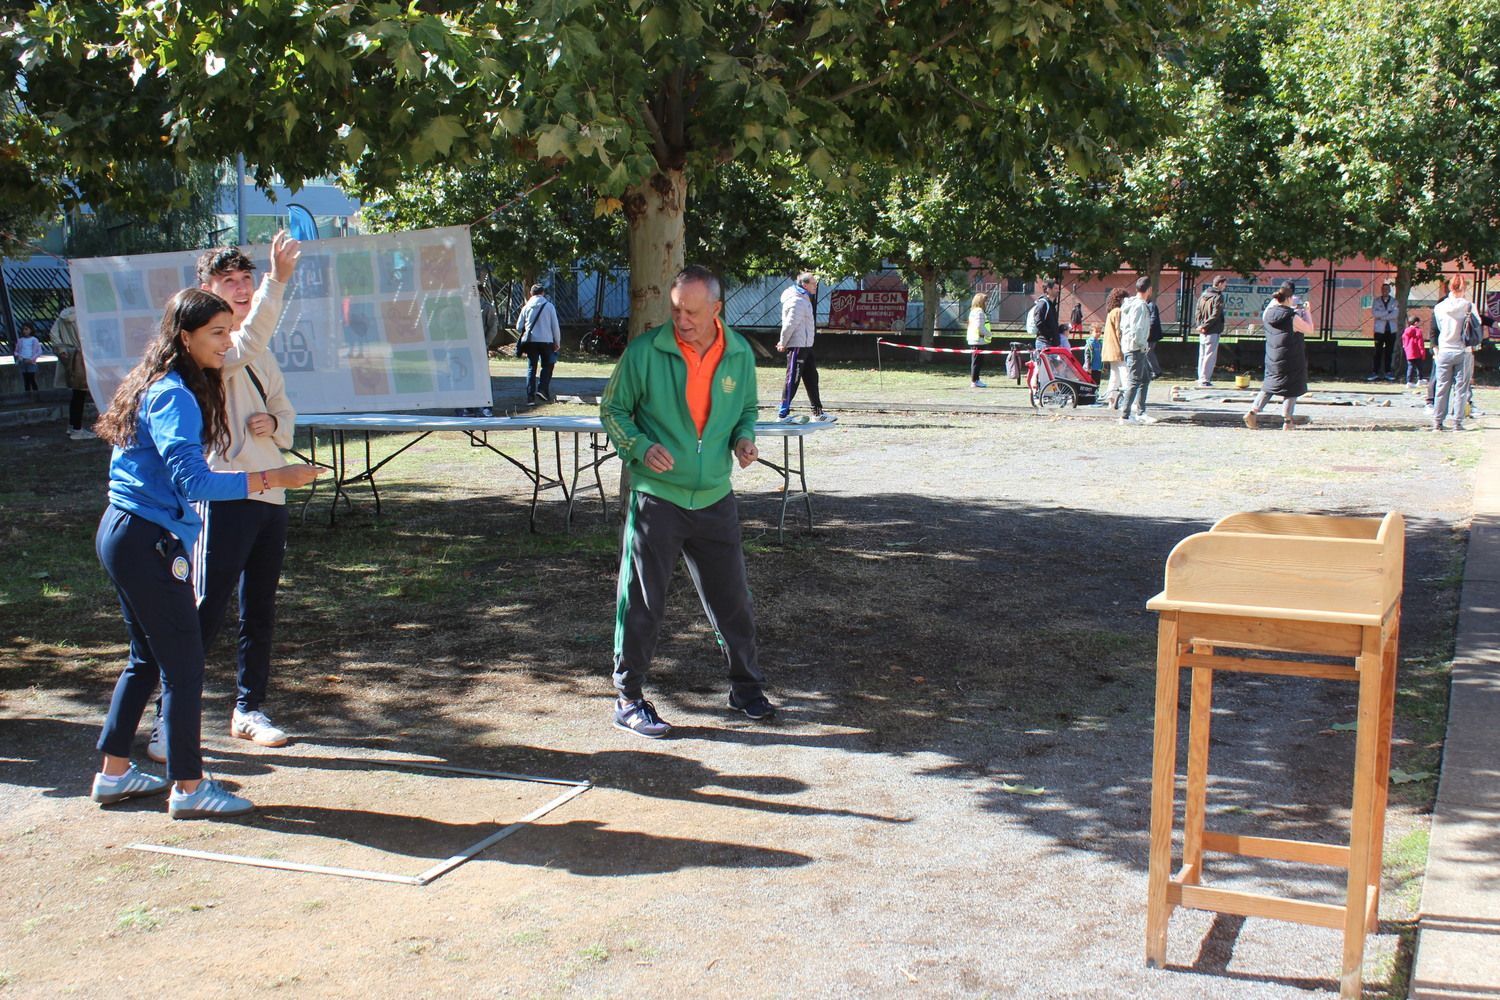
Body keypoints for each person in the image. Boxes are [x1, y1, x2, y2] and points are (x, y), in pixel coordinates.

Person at [91, 288, 320, 819]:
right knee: (184, 660)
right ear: (185, 337)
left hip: (128, 531)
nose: (227, 342)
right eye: (217, 333)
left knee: (147, 658)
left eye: (228, 330)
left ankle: (114, 774)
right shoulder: (174, 394)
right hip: (143, 537)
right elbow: (193, 479)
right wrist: (272, 478)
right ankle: (190, 788)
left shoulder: (172, 383)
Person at [145, 236, 301, 763]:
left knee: (260, 608)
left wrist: (274, 421)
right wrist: (279, 281)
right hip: (225, 494)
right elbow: (248, 340)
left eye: (246, 281)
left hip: (270, 491)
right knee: (204, 607)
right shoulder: (213, 353)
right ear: (205, 293)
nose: (239, 290)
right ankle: (167, 721)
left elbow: (284, 407)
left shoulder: (256, 351)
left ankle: (248, 709)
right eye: (227, 282)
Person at [599, 265, 770, 738]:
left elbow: (748, 410)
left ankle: (745, 688)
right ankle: (628, 698)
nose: (683, 320)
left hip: (715, 495)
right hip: (657, 498)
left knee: (733, 599)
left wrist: (744, 439)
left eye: (692, 312)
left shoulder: (738, 355)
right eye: (676, 310)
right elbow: (612, 410)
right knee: (642, 601)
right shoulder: (644, 352)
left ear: (717, 310)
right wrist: (636, 446)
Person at [1244, 282, 1314, 430]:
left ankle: (1252, 412)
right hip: (1291, 356)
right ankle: (1288, 422)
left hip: (1272, 356)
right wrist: (1307, 311)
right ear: (1290, 298)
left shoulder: (1268, 313)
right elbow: (1309, 329)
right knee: (1292, 387)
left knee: (1270, 385)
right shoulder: (1291, 317)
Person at [777, 271, 831, 420]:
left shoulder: (804, 298)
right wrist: (783, 342)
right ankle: (782, 414)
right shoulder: (797, 300)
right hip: (797, 347)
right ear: (805, 285)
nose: (816, 286)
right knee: (792, 379)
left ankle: (818, 413)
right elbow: (790, 324)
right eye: (813, 283)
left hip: (806, 346)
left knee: (812, 378)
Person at [1430, 274, 1480, 432]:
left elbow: (1436, 328)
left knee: (1442, 387)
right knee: (1461, 388)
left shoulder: (1439, 307)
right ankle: (1457, 423)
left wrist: (1436, 350)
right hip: (1463, 351)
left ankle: (1437, 422)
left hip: (1444, 350)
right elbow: (1477, 327)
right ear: (1464, 288)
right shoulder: (1469, 306)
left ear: (1449, 287)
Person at [50, 306, 95, 439]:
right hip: (82, 356)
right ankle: (77, 428)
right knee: (81, 393)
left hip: (69, 355)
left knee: (77, 393)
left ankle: (73, 425)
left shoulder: (62, 317)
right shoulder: (84, 314)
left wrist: (62, 349)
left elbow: (53, 334)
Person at [1118, 277, 1157, 424]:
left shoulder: (1130, 304)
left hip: (1131, 346)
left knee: (1145, 378)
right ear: (1149, 290)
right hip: (1136, 348)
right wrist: (1142, 345)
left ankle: (1140, 412)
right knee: (1134, 381)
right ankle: (1125, 415)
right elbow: (1138, 329)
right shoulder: (1140, 306)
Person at [516, 283, 561, 405]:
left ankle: (530, 397)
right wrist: (557, 341)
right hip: (546, 340)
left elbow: (518, 326)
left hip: (530, 341)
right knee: (548, 365)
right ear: (543, 293)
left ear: (531, 293)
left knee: (531, 368)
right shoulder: (549, 306)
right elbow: (555, 326)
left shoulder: (526, 307)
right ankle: (542, 389)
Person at [1195, 276, 1228, 387]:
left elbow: (1198, 311)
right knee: (1210, 355)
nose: (1225, 286)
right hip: (1212, 330)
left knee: (1202, 354)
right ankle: (1205, 379)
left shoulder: (1203, 295)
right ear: (1219, 284)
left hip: (1203, 330)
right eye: (1224, 284)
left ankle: (1200, 377)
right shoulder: (1218, 297)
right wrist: (1205, 326)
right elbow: (1216, 314)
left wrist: (1200, 325)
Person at [1101, 287, 1127, 409]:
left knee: (1115, 375)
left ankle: (1111, 400)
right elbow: (1119, 331)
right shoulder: (1118, 312)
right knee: (1125, 374)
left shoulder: (1111, 312)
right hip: (1118, 348)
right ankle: (1128, 400)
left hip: (1109, 349)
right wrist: (1125, 346)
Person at [1370, 282, 1399, 382]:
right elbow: (1374, 313)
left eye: (1387, 289)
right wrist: (1387, 313)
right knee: (1377, 352)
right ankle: (1375, 372)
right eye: (1383, 289)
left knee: (1389, 352)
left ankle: (1388, 372)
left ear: (1390, 290)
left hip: (1391, 330)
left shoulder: (1394, 301)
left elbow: (1395, 314)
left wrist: (1382, 316)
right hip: (1379, 330)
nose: (1385, 291)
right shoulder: (1377, 301)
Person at [966, 292, 993, 388]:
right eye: (985, 301)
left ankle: (975, 379)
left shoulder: (973, 311)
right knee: (977, 361)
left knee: (976, 361)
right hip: (978, 340)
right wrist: (989, 334)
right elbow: (980, 326)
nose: (987, 303)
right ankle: (975, 380)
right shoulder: (979, 312)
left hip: (974, 339)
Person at [1028, 279, 1061, 351]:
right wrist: (1050, 337)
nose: (1058, 290)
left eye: (1058, 288)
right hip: (1044, 343)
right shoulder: (1043, 304)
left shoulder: (1051, 305)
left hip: (1051, 343)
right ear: (1048, 289)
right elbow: (1039, 322)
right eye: (1055, 288)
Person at [15, 322, 42, 392]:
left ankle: (36, 394)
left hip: (31, 362)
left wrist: (32, 359)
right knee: (26, 380)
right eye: (23, 329)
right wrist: (19, 356)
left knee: (32, 379)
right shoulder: (20, 340)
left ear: (31, 330)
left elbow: (39, 351)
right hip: (23, 361)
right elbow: (16, 351)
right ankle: (28, 396)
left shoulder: (34, 340)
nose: (24, 331)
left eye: (26, 329)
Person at [1402, 314, 1427, 387]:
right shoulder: (1417, 331)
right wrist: (1422, 352)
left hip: (1409, 352)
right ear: (1416, 322)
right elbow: (1420, 343)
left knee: (1410, 367)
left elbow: (1404, 342)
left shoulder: (1406, 331)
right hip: (1417, 352)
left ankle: (1409, 381)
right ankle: (1420, 379)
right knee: (1419, 367)